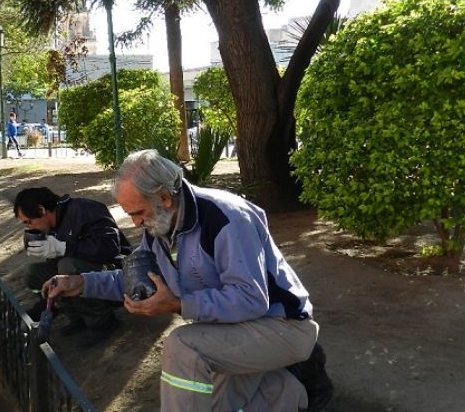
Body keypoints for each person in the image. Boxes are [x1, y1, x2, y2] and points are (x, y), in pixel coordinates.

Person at [43, 149, 333, 412]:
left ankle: (293, 376)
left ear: (165, 197)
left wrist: (179, 304)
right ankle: (290, 394)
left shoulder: (226, 217)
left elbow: (251, 298)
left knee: (183, 347)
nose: (135, 223)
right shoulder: (160, 222)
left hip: (283, 328)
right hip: (233, 328)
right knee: (208, 401)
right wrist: (81, 283)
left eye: (137, 213)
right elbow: (139, 280)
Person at [14, 187, 131, 348]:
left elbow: (110, 247)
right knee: (34, 273)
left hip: (115, 275)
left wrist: (63, 247)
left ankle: (103, 322)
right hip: (79, 271)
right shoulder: (51, 226)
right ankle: (78, 318)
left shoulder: (85, 209)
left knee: (67, 266)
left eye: (28, 222)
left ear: (41, 210)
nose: (29, 227)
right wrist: (39, 310)